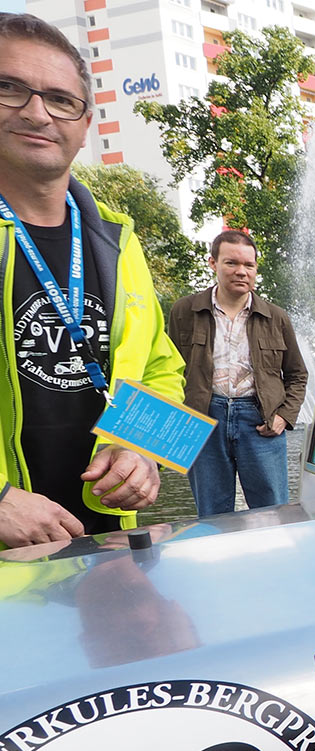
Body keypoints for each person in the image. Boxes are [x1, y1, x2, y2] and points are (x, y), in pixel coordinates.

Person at [0, 13, 184, 548]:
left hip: (103, 549)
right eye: (10, 89)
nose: (38, 112)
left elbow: (159, 367)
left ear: (85, 124)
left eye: (61, 99)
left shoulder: (118, 241)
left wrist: (142, 449)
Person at [168, 230, 307, 515]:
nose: (241, 271)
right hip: (204, 419)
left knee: (273, 510)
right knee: (213, 514)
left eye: (249, 265)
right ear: (213, 263)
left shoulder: (275, 317)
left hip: (260, 421)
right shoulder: (185, 311)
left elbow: (297, 374)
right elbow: (170, 369)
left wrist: (284, 416)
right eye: (231, 263)